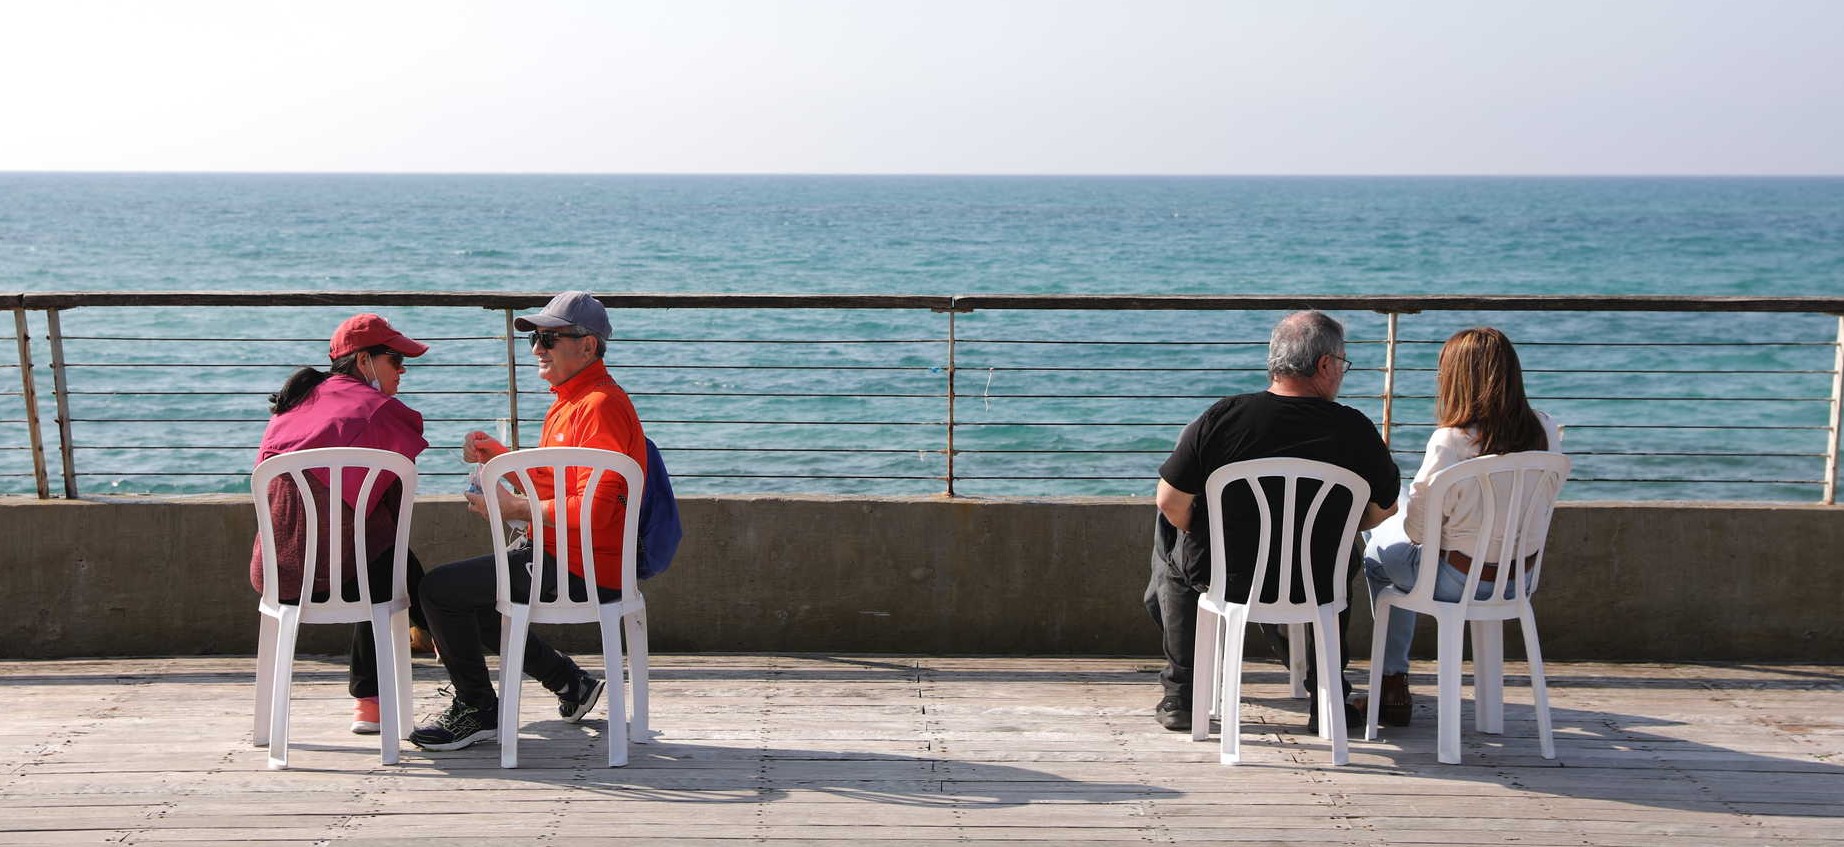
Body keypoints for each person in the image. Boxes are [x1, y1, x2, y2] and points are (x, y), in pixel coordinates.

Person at [409, 290, 649, 752]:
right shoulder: (571, 400)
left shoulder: (598, 406)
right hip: (563, 555)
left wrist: (516, 509)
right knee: (470, 596)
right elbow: (556, 484)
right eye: (534, 339)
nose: (538, 348)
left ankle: (478, 709)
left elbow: (595, 510)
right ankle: (570, 682)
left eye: (549, 339)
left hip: (581, 567)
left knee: (439, 590)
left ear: (587, 346)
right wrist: (499, 458)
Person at [1146, 310, 1400, 733]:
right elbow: (1385, 508)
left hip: (1230, 578)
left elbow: (1170, 500)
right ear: (1324, 364)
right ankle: (1328, 697)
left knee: (1172, 540)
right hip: (1317, 581)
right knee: (1342, 555)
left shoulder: (1223, 419)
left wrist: (1208, 532)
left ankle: (1182, 694)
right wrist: (1332, 530)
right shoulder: (1355, 430)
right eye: (1343, 363)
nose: (1342, 372)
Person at [1361, 326, 1562, 726]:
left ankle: (1392, 680)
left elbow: (1417, 533)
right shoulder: (1545, 430)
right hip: (1517, 580)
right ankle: (1402, 685)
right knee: (1399, 508)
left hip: (1455, 579)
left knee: (1375, 551)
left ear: (1457, 378)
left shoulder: (1449, 441)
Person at [251, 313, 433, 735]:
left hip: (277, 574)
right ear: (364, 360)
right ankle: (389, 686)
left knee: (379, 554)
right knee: (389, 560)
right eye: (395, 360)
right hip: (346, 578)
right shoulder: (382, 412)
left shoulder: (294, 404)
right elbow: (396, 507)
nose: (403, 370)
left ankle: (416, 650)